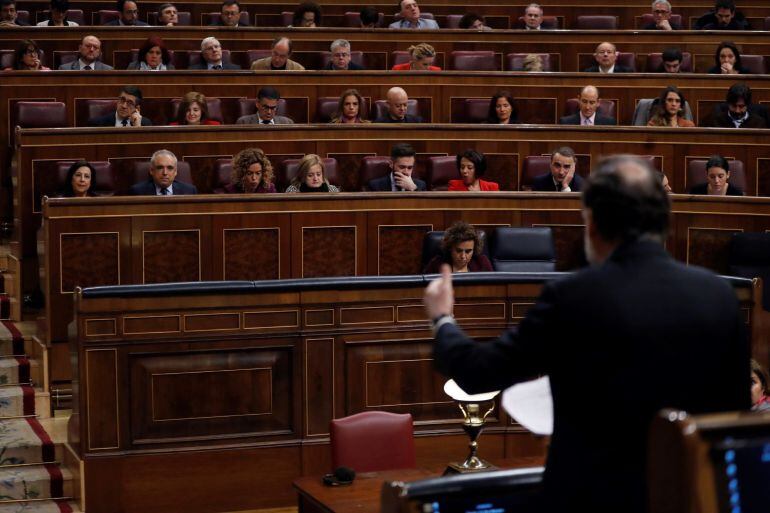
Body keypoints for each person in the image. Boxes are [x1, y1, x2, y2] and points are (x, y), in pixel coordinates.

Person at [424, 154, 750, 513]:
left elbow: (476, 372)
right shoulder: (719, 297)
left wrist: (442, 319)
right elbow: (736, 420)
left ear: (593, 223)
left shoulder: (573, 297)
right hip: (691, 498)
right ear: (664, 222)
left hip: (590, 499)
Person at [423, 221, 494, 273]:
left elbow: (493, 288)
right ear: (450, 248)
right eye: (459, 251)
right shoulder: (437, 264)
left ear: (474, 249)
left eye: (468, 251)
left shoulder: (481, 262)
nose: (463, 256)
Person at [128, 150, 197, 196]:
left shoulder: (189, 191)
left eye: (170, 168)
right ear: (152, 171)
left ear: (175, 172)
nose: (165, 173)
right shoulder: (137, 192)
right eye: (160, 168)